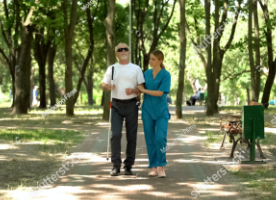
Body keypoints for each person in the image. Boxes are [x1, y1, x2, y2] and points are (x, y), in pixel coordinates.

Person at [101, 43, 145, 176]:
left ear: (129, 52)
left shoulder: (136, 68)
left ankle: (128, 166)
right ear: (116, 54)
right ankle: (116, 165)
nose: (123, 51)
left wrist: (133, 90)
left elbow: (141, 89)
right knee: (116, 135)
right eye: (120, 50)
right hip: (115, 105)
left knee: (131, 136)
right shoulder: (112, 68)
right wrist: (108, 87)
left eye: (126, 49)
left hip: (132, 104)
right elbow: (103, 85)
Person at [137, 50, 171, 178]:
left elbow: (160, 93)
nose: (150, 61)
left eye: (153, 59)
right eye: (150, 59)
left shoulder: (166, 75)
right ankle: (153, 166)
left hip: (161, 111)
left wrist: (144, 90)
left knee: (160, 138)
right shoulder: (146, 73)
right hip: (147, 111)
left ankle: (161, 166)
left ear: (160, 61)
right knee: (150, 139)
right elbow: (138, 87)